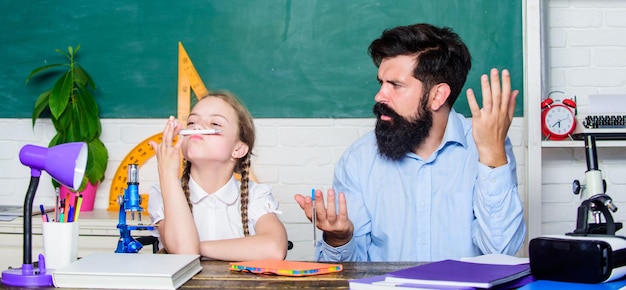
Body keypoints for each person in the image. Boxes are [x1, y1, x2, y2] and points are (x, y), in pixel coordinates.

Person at [295, 23, 526, 262]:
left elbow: (501, 252)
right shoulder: (359, 158)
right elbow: (351, 272)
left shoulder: (489, 145)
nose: (379, 96)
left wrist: (492, 154)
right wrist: (339, 239)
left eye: (395, 85)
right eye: (381, 83)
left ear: (437, 96)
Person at [148, 91, 288, 261]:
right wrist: (167, 173)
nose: (197, 127)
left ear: (238, 149)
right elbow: (184, 251)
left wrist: (197, 246)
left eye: (214, 123)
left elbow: (274, 249)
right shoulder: (162, 192)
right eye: (191, 122)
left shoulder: (256, 195)